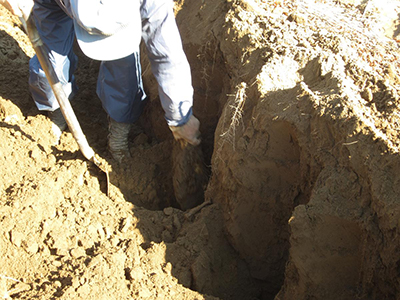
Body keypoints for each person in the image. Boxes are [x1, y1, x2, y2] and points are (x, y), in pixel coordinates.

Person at [0, 0, 201, 162]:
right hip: (56, 3)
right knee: (51, 59)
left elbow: (167, 53)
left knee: (123, 67)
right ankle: (55, 110)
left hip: (121, 21)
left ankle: (119, 132)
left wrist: (179, 117)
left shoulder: (154, 4)